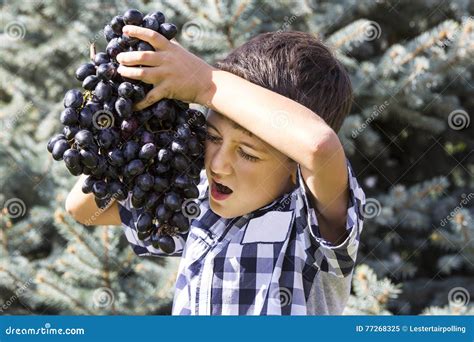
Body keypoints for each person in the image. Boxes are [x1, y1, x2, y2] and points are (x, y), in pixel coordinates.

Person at [65, 25, 367, 315]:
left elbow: (318, 145)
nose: (218, 164)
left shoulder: (309, 229)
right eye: (212, 137)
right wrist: (127, 113)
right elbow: (83, 208)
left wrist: (205, 82)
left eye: (247, 153)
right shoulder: (201, 208)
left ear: (295, 166)